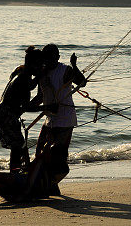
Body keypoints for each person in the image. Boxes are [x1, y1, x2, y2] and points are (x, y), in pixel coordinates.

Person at [31, 43, 87, 194]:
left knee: (57, 154)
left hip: (64, 120)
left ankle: (51, 183)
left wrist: (74, 65)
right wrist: (25, 107)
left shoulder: (64, 70)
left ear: (57, 58)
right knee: (40, 152)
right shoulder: (42, 73)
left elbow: (82, 82)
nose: (47, 60)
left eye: (51, 57)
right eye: (45, 57)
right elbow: (40, 96)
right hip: (49, 120)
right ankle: (49, 185)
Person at [0, 46, 43, 172]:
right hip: (6, 113)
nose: (42, 67)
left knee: (20, 146)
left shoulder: (22, 73)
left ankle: (21, 172)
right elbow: (27, 107)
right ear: (32, 63)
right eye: (40, 64)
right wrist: (47, 107)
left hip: (2, 111)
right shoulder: (23, 78)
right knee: (17, 146)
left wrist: (39, 78)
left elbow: (31, 88)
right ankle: (14, 175)